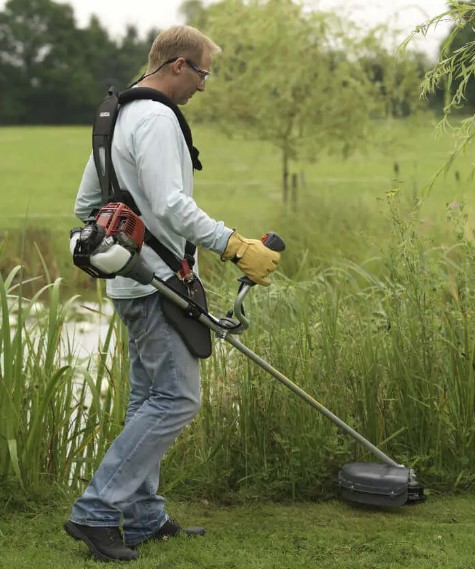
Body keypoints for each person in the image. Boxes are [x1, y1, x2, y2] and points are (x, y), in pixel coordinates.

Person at [64, 25, 280, 562]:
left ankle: (142, 517)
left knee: (147, 398)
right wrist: (233, 244)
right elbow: (172, 206)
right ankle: (95, 512)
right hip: (159, 279)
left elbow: (86, 202)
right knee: (177, 400)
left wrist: (121, 239)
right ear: (179, 65)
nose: (203, 86)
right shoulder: (158, 118)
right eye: (203, 73)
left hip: (129, 280)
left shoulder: (117, 115)